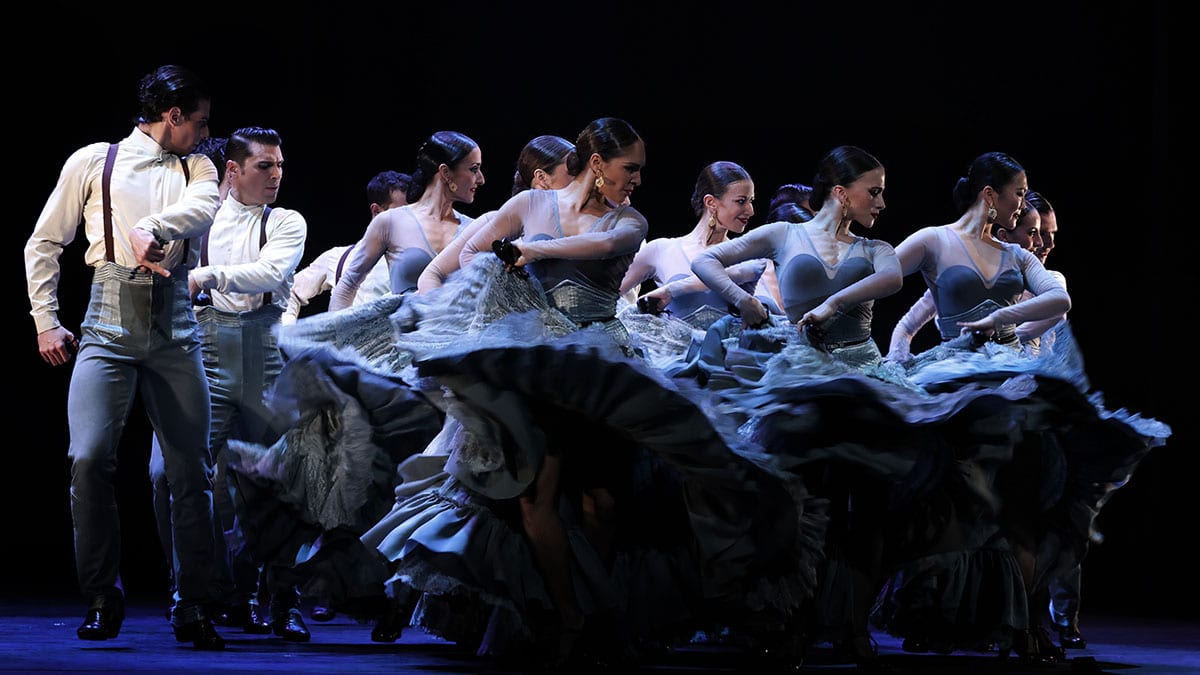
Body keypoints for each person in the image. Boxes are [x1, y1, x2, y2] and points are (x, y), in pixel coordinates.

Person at [23, 64, 226, 650]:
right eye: (200, 121)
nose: (206, 131)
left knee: (191, 470)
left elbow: (204, 208)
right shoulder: (93, 161)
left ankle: (192, 602)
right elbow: (44, 241)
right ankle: (101, 594)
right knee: (87, 460)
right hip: (108, 321)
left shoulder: (201, 165)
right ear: (173, 116)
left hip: (175, 326)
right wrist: (45, 320)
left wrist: (153, 229)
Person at [691, 145, 905, 667]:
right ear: (840, 192)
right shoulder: (786, 234)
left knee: (867, 510)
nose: (880, 202)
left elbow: (894, 278)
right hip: (802, 377)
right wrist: (743, 300)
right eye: (872, 191)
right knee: (800, 505)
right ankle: (795, 622)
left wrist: (834, 303)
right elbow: (706, 259)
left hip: (860, 378)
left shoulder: (876, 247)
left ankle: (854, 628)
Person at [187, 126, 311, 641]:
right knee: (184, 477)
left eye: (280, 165)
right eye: (266, 166)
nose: (277, 175)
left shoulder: (285, 221)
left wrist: (208, 276)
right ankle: (204, 594)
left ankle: (282, 598)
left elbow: (269, 271)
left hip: (263, 359)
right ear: (233, 171)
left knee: (278, 480)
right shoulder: (200, 221)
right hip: (207, 354)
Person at [328, 131, 483, 307]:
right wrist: (339, 333)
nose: (481, 179)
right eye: (474, 169)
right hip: (403, 332)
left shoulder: (475, 229)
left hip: (458, 333)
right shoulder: (390, 222)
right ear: (445, 172)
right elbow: (347, 286)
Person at [282, 170, 412, 325]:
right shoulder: (338, 257)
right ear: (377, 211)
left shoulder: (422, 262)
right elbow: (290, 292)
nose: (412, 221)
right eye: (403, 213)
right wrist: (287, 330)